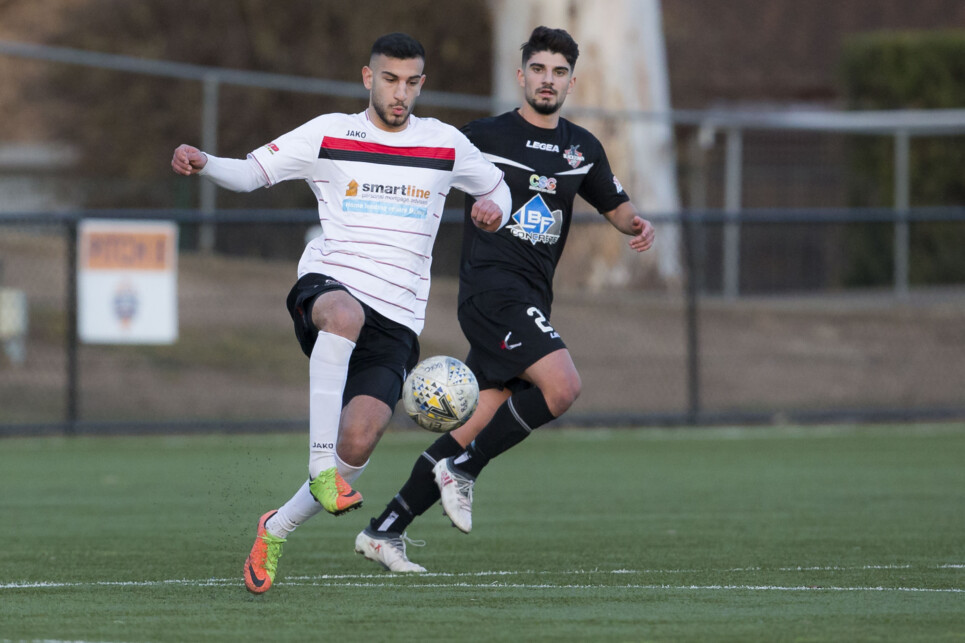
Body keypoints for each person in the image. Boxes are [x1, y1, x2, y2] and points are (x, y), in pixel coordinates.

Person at [171, 32, 511, 593]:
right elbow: (252, 173)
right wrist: (205, 162)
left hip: (398, 321)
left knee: (360, 442)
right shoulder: (329, 132)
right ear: (367, 78)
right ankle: (320, 467)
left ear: (421, 84)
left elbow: (497, 189)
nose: (400, 93)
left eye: (411, 82)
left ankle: (275, 527)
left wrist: (493, 211)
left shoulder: (446, 143)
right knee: (344, 317)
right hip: (331, 287)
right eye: (389, 79)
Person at [354, 26, 655, 573]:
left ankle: (385, 529)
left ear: (569, 81)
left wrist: (637, 225)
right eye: (538, 69)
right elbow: (424, 174)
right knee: (562, 387)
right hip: (492, 293)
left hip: (532, 299)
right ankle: (464, 473)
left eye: (559, 72)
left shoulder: (581, 148)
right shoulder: (482, 136)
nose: (548, 80)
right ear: (522, 76)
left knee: (474, 422)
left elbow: (615, 206)